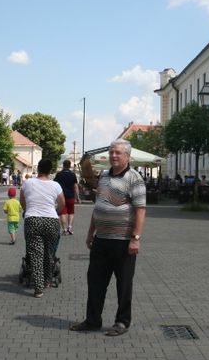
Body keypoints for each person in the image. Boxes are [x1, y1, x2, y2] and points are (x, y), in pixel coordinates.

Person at [70, 139, 146, 337]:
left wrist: (136, 238)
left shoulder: (134, 178)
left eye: (118, 153)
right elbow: (99, 206)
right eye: (112, 152)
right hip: (101, 239)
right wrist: (90, 232)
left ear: (127, 156)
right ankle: (93, 320)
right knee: (95, 281)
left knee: (124, 284)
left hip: (123, 241)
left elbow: (140, 210)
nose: (113, 155)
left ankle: (122, 321)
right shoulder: (104, 176)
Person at [20, 159, 64, 298]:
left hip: (33, 220)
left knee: (36, 254)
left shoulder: (27, 183)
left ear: (38, 169)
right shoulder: (56, 185)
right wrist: (55, 212)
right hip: (51, 220)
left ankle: (38, 289)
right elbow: (62, 204)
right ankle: (47, 280)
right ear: (50, 171)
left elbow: (22, 201)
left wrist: (27, 211)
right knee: (49, 253)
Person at [54, 160, 81, 235]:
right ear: (69, 166)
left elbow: (55, 185)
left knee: (62, 212)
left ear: (63, 165)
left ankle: (64, 229)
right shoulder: (72, 174)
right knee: (71, 212)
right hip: (71, 196)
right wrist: (78, 197)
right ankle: (70, 227)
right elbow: (75, 186)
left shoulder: (59, 174)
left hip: (61, 196)